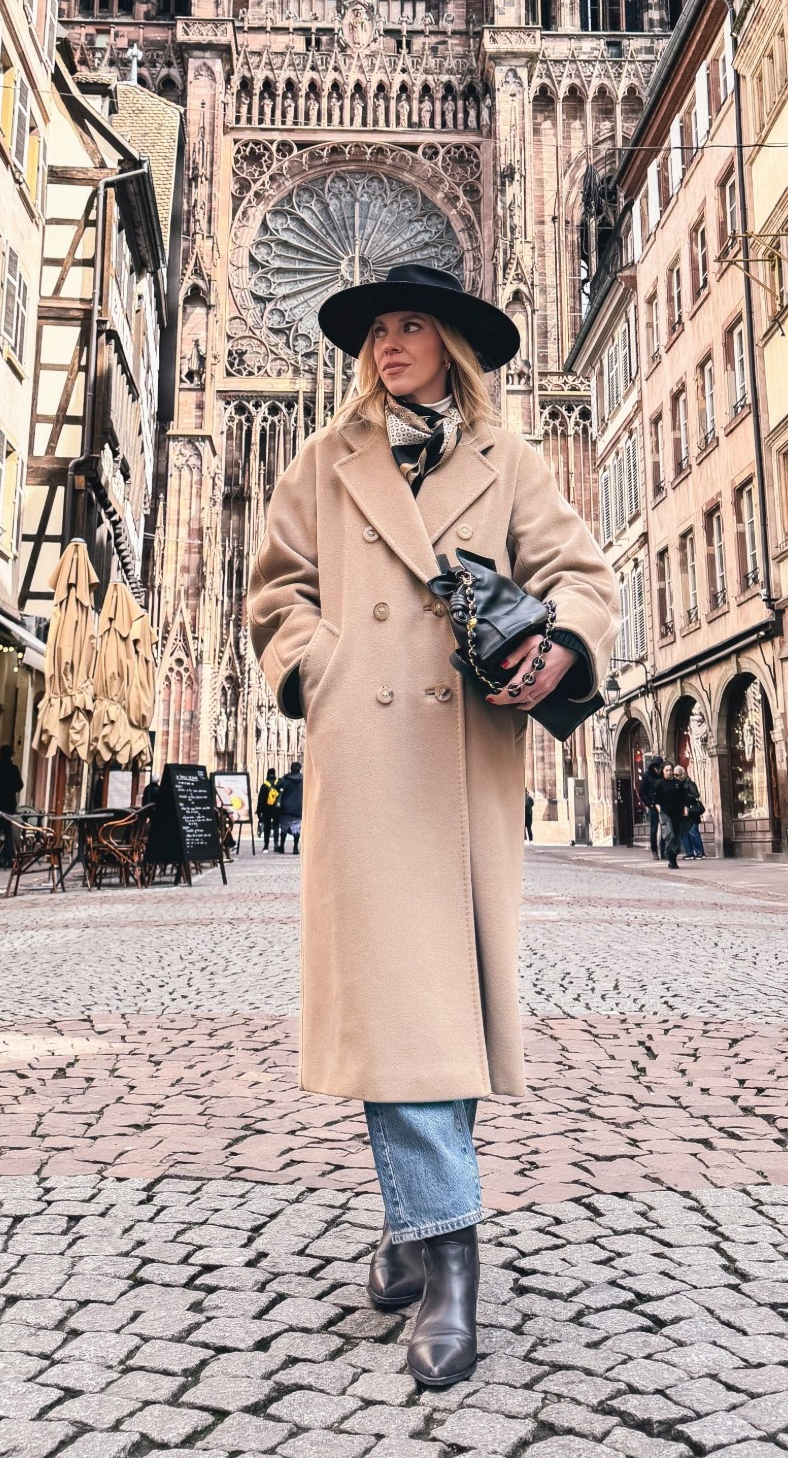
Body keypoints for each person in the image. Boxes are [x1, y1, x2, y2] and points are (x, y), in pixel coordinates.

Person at [248, 263, 617, 1392]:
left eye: (410, 326)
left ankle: (419, 1234)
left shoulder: (513, 462)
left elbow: (580, 574)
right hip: (367, 754)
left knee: (432, 1009)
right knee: (404, 1005)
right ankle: (449, 1256)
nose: (389, 344)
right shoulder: (324, 459)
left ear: (451, 341)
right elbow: (275, 589)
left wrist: (566, 642)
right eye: (377, 332)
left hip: (460, 758)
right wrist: (318, 664)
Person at [651, 762, 690, 870]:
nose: (669, 772)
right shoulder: (659, 784)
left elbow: (684, 798)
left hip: (677, 813)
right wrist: (660, 810)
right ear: (663, 771)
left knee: (677, 836)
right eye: (666, 770)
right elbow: (656, 800)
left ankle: (673, 857)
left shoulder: (678, 783)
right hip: (665, 814)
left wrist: (685, 809)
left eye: (670, 770)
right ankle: (671, 859)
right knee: (669, 835)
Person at [678, 772, 706, 859]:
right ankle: (689, 853)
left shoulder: (690, 784)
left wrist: (684, 795)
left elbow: (696, 796)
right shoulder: (677, 785)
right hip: (682, 812)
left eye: (677, 775)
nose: (675, 777)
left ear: (683, 774)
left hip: (692, 812)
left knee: (693, 832)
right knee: (684, 833)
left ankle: (700, 852)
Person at [638, 759, 663, 857]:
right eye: (656, 768)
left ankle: (664, 849)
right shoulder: (647, 776)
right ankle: (654, 851)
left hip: (663, 805)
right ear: (653, 768)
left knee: (666, 828)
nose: (658, 770)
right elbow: (642, 792)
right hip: (653, 806)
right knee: (654, 829)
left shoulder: (663, 775)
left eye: (659, 768)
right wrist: (650, 804)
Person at [280, 761, 304, 858]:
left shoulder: (284, 780)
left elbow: (278, 790)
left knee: (284, 827)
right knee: (296, 828)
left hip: (285, 807)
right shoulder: (303, 780)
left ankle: (281, 846)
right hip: (298, 807)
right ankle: (295, 847)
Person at [258, 770, 280, 851]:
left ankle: (266, 846)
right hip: (276, 809)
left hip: (266, 810)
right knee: (276, 826)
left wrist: (259, 811)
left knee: (267, 827)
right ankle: (276, 844)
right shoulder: (278, 784)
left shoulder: (264, 785)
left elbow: (260, 800)